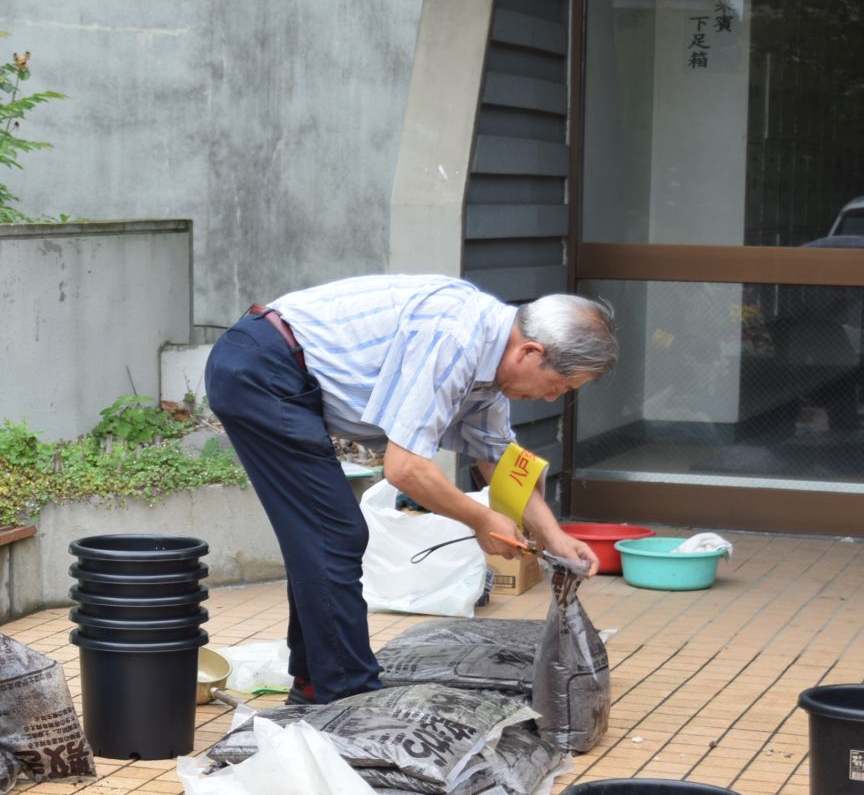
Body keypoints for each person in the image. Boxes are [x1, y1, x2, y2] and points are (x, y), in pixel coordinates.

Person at [204, 275, 618, 705]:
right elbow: (404, 469)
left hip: (281, 370)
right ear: (530, 353)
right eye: (559, 387)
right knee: (332, 534)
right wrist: (481, 518)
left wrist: (555, 538)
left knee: (323, 536)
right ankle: (349, 698)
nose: (551, 399)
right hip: (262, 367)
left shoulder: (490, 370)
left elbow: (500, 461)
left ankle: (316, 684)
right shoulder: (455, 338)